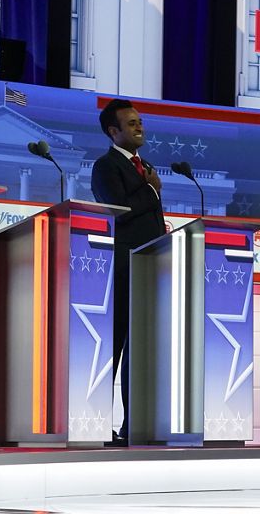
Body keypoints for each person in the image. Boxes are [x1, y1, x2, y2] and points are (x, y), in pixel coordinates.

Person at [90, 99, 165, 444]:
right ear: (113, 131)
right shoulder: (105, 166)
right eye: (131, 124)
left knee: (142, 352)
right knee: (113, 350)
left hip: (150, 268)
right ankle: (93, 423)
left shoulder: (145, 166)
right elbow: (118, 211)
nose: (140, 128)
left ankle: (134, 425)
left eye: (140, 122)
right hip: (122, 268)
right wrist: (150, 190)